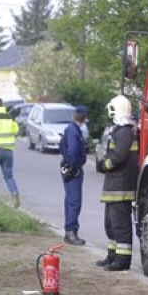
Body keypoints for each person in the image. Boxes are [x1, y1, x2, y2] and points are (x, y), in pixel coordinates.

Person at [96, 95, 139, 271]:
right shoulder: (120, 131)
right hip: (114, 186)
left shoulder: (124, 132)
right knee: (111, 224)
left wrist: (104, 164)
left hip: (120, 188)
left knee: (120, 224)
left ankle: (122, 261)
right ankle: (112, 256)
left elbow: (119, 157)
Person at [59, 105, 88, 245]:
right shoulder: (73, 132)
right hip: (73, 170)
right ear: (84, 118)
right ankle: (71, 232)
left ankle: (70, 231)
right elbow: (72, 152)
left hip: (71, 169)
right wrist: (74, 168)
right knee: (74, 202)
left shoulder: (72, 130)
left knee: (71, 201)